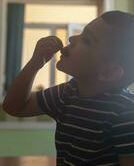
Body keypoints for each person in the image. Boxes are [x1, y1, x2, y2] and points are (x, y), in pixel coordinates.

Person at [3, 10, 134, 165]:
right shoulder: (66, 93)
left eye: (87, 40)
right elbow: (14, 107)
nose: (72, 37)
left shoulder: (126, 112)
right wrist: (35, 63)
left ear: (108, 72)